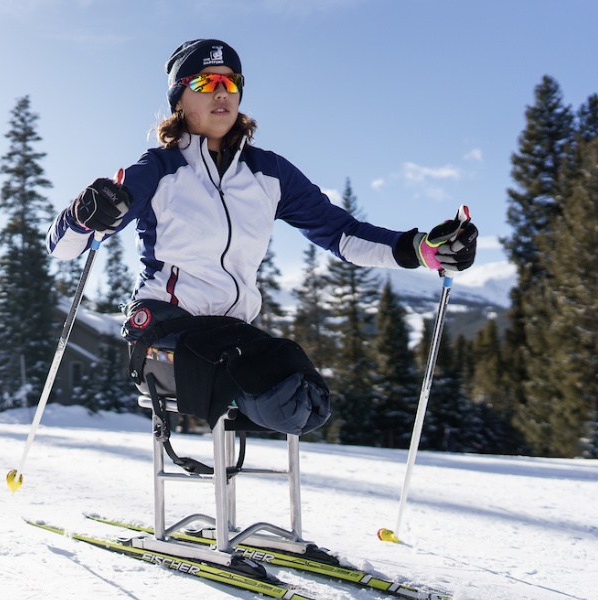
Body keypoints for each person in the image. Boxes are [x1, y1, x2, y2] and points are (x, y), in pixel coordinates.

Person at [49, 39, 478, 435]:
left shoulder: (269, 172)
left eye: (231, 82)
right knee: (283, 397)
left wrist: (422, 249)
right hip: (165, 330)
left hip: (233, 333)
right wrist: (85, 215)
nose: (222, 91)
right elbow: (64, 247)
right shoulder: (160, 169)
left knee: (306, 398)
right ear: (179, 98)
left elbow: (341, 233)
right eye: (205, 81)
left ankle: (247, 511)